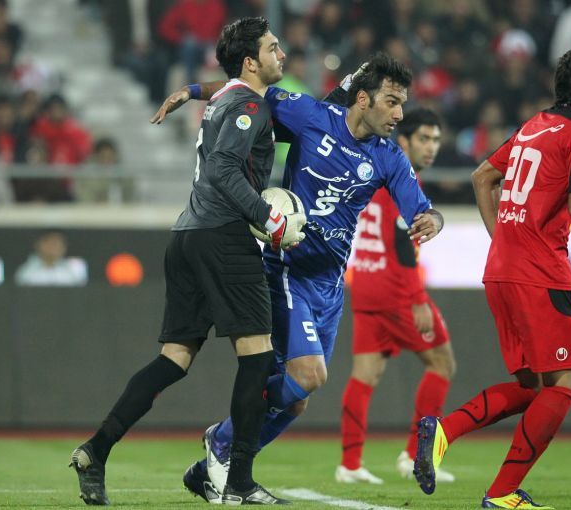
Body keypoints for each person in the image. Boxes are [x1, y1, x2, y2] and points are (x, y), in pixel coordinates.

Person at [152, 52, 444, 499]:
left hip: (331, 284)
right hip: (288, 270)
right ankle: (223, 441)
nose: (399, 114)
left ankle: (216, 464)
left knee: (297, 400)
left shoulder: (389, 158)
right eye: (391, 102)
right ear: (362, 99)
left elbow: (421, 209)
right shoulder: (311, 116)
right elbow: (247, 92)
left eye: (402, 103)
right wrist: (193, 92)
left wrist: (432, 220)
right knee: (309, 375)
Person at [70, 17, 305, 506]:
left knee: (174, 358)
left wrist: (192, 90)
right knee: (258, 357)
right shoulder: (249, 105)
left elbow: (221, 126)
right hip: (224, 237)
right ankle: (239, 482)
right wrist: (270, 219)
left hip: (187, 236)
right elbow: (223, 168)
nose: (281, 54)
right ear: (251, 62)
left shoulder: (225, 99)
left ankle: (96, 449)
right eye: (273, 48)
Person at [413, 47, 571, 510]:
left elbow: (482, 177)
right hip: (541, 273)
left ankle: (444, 430)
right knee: (565, 385)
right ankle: (502, 493)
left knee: (535, 387)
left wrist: (504, 240)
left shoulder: (536, 124)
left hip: (501, 271)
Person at [336, 108, 457, 485]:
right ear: (403, 140)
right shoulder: (401, 177)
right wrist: (417, 297)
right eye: (424, 139)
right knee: (442, 364)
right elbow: (403, 241)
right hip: (397, 289)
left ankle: (350, 464)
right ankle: (415, 455)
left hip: (366, 283)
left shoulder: (376, 171)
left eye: (436, 140)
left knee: (365, 374)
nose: (431, 147)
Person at [15, 230, 87, 286]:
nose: (52, 246)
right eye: (48, 241)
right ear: (38, 245)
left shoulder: (74, 268)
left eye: (57, 242)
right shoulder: (26, 270)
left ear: (64, 247)